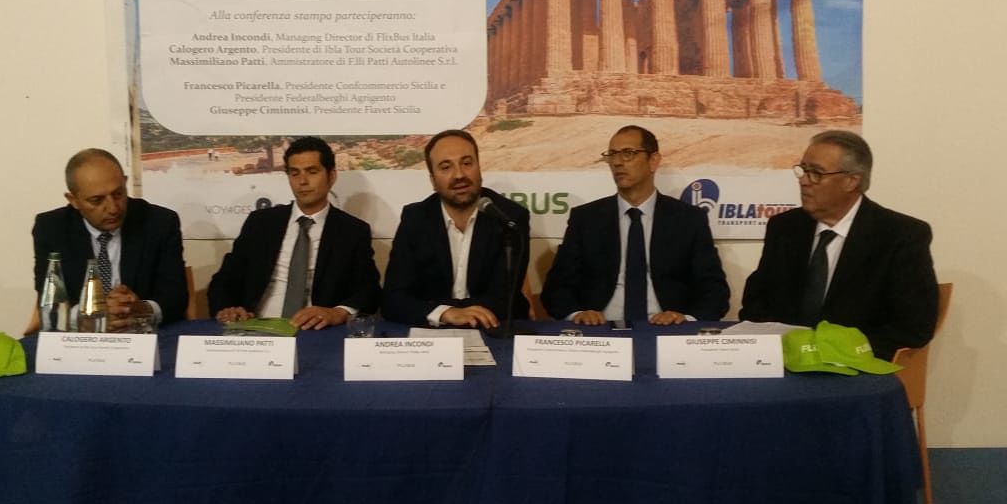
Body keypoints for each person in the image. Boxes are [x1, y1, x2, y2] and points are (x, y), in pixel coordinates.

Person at [740, 130, 938, 359]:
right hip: (786, 360)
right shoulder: (785, 228)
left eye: (816, 173)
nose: (804, 181)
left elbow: (914, 326)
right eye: (803, 170)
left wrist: (834, 351)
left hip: (857, 365)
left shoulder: (900, 235)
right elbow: (756, 301)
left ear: (852, 181)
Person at [540, 125, 729, 326]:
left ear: (653, 161)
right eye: (612, 155)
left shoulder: (689, 219)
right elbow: (556, 288)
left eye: (628, 153)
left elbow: (715, 290)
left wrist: (685, 319)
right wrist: (577, 314)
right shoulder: (586, 218)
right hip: (600, 330)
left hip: (666, 329)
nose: (617, 162)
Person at [206, 136, 379, 330]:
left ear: (331, 176)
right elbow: (224, 280)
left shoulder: (352, 231)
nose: (302, 181)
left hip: (316, 330)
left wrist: (337, 312)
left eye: (312, 172)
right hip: (256, 326)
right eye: (294, 173)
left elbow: (369, 290)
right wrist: (227, 308)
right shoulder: (261, 223)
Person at [382, 129, 530, 329]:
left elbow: (505, 300)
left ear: (479, 168)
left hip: (493, 329)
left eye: (467, 163)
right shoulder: (416, 219)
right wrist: (446, 313)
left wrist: (444, 309)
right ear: (433, 180)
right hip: (433, 331)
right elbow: (394, 299)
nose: (459, 175)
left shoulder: (509, 218)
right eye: (446, 167)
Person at [32, 148, 188, 332]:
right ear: (73, 200)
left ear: (125, 183)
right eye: (97, 200)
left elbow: (176, 297)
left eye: (118, 194)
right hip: (80, 338)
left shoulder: (159, 222)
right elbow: (49, 301)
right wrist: (90, 315)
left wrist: (139, 309)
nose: (113, 208)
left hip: (143, 335)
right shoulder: (51, 229)